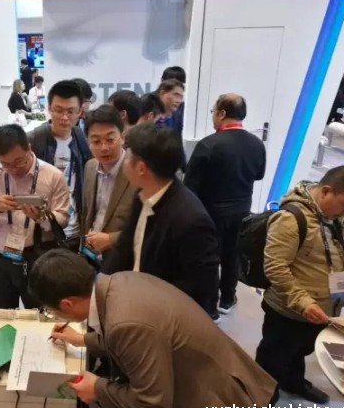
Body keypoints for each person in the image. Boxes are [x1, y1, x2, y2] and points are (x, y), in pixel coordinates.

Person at [29, 249, 277, 408]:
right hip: (215, 380)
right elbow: (135, 340)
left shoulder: (126, 322)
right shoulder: (118, 282)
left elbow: (153, 401)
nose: (55, 316)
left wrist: (98, 388)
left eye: (52, 311)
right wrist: (82, 340)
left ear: (67, 303)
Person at [256, 166, 344, 404]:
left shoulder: (332, 216)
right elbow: (275, 268)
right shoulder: (290, 218)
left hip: (318, 308)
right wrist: (303, 303)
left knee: (299, 351)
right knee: (272, 360)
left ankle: (293, 381)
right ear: (326, 191)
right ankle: (260, 404)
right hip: (289, 310)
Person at [102, 122, 220, 319]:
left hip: (164, 317)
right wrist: (101, 288)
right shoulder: (142, 194)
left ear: (141, 168)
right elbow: (124, 247)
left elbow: (201, 288)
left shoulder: (190, 219)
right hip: (134, 301)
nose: (123, 161)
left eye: (127, 155)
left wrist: (146, 304)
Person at [0, 124, 70, 308]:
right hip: (0, 257)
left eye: (19, 161)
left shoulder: (53, 176)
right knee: (3, 315)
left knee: (40, 313)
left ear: (29, 149)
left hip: (38, 256)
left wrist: (42, 218)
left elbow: (63, 218)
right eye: (6, 164)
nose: (14, 169)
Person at [184, 94, 266, 316]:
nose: (213, 116)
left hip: (210, 212)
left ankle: (210, 306)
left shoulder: (208, 145)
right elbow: (259, 174)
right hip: (242, 211)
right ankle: (228, 298)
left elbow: (189, 186)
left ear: (221, 114)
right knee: (232, 255)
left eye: (213, 112)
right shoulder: (257, 144)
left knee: (209, 259)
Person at [28, 80, 92, 252]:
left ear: (80, 112)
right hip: (42, 231)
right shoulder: (34, 141)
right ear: (49, 108)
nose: (64, 117)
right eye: (58, 110)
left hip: (75, 230)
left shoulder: (83, 141)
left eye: (70, 111)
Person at [81, 105, 134, 263]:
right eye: (96, 141)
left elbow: (149, 228)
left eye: (110, 140)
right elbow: (87, 214)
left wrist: (111, 239)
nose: (104, 148)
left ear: (122, 137)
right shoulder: (90, 167)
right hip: (90, 254)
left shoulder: (137, 172)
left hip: (123, 260)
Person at [156, 79, 187, 172]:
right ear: (162, 93)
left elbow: (178, 141)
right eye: (176, 95)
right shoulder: (150, 115)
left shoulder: (176, 116)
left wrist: (184, 167)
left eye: (181, 97)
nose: (179, 101)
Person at [161, 66, 186, 131]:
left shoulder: (181, 105)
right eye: (175, 84)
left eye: (181, 84)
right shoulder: (151, 103)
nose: (179, 87)